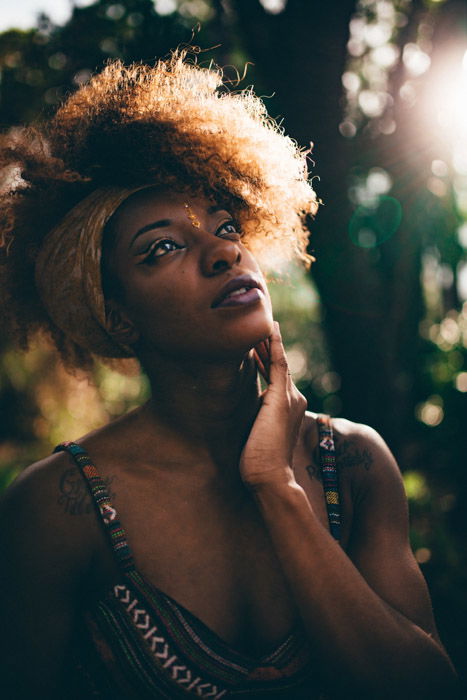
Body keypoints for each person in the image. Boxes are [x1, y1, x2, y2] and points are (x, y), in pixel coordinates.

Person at [0, 50, 458, 699]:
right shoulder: (56, 508)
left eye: (225, 226)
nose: (222, 251)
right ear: (117, 315)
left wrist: (277, 488)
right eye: (161, 247)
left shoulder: (352, 464)